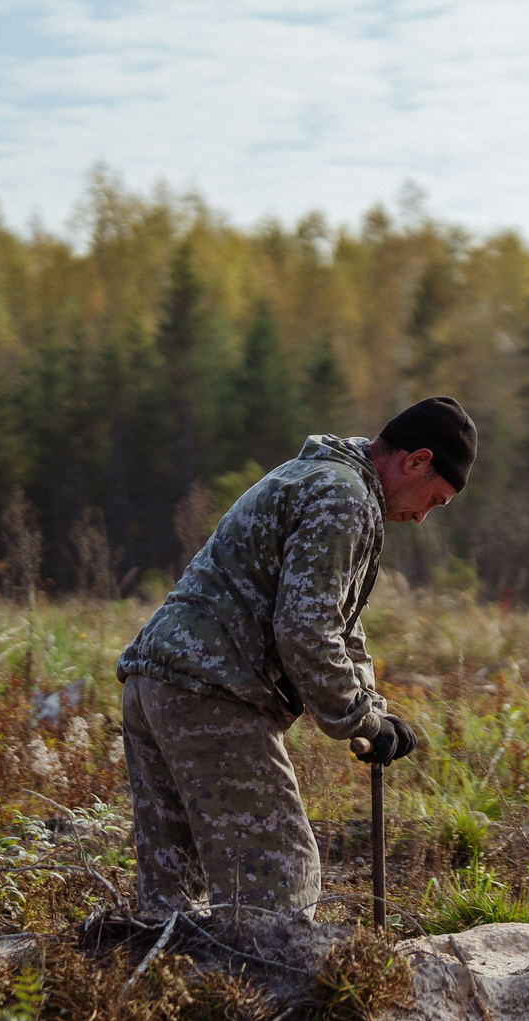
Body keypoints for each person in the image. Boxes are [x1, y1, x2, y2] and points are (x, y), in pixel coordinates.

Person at [115, 397, 475, 933]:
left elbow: (339, 622)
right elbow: (306, 630)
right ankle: (277, 1011)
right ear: (416, 460)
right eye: (434, 500)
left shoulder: (319, 476)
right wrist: (359, 721)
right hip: (211, 697)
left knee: (171, 904)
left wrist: (370, 710)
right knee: (278, 892)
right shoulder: (345, 499)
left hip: (155, 685)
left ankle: (173, 1008)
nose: (422, 516)